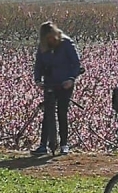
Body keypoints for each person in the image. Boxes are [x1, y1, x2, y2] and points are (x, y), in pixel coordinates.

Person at [31, 21, 81, 156]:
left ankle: (64, 143)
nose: (50, 40)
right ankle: (43, 145)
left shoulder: (66, 43)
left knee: (62, 112)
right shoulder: (43, 46)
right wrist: (38, 80)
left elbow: (76, 63)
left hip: (65, 83)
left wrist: (71, 79)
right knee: (48, 114)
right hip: (49, 83)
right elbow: (39, 64)